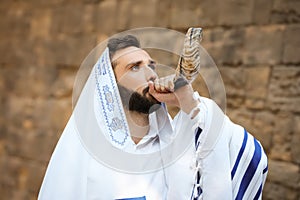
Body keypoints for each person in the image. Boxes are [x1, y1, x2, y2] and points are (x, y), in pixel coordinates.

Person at [38, 34, 268, 200]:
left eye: (152, 65)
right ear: (109, 85)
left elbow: (248, 157)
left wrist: (189, 103)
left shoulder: (175, 147)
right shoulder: (85, 155)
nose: (150, 74)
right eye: (135, 67)